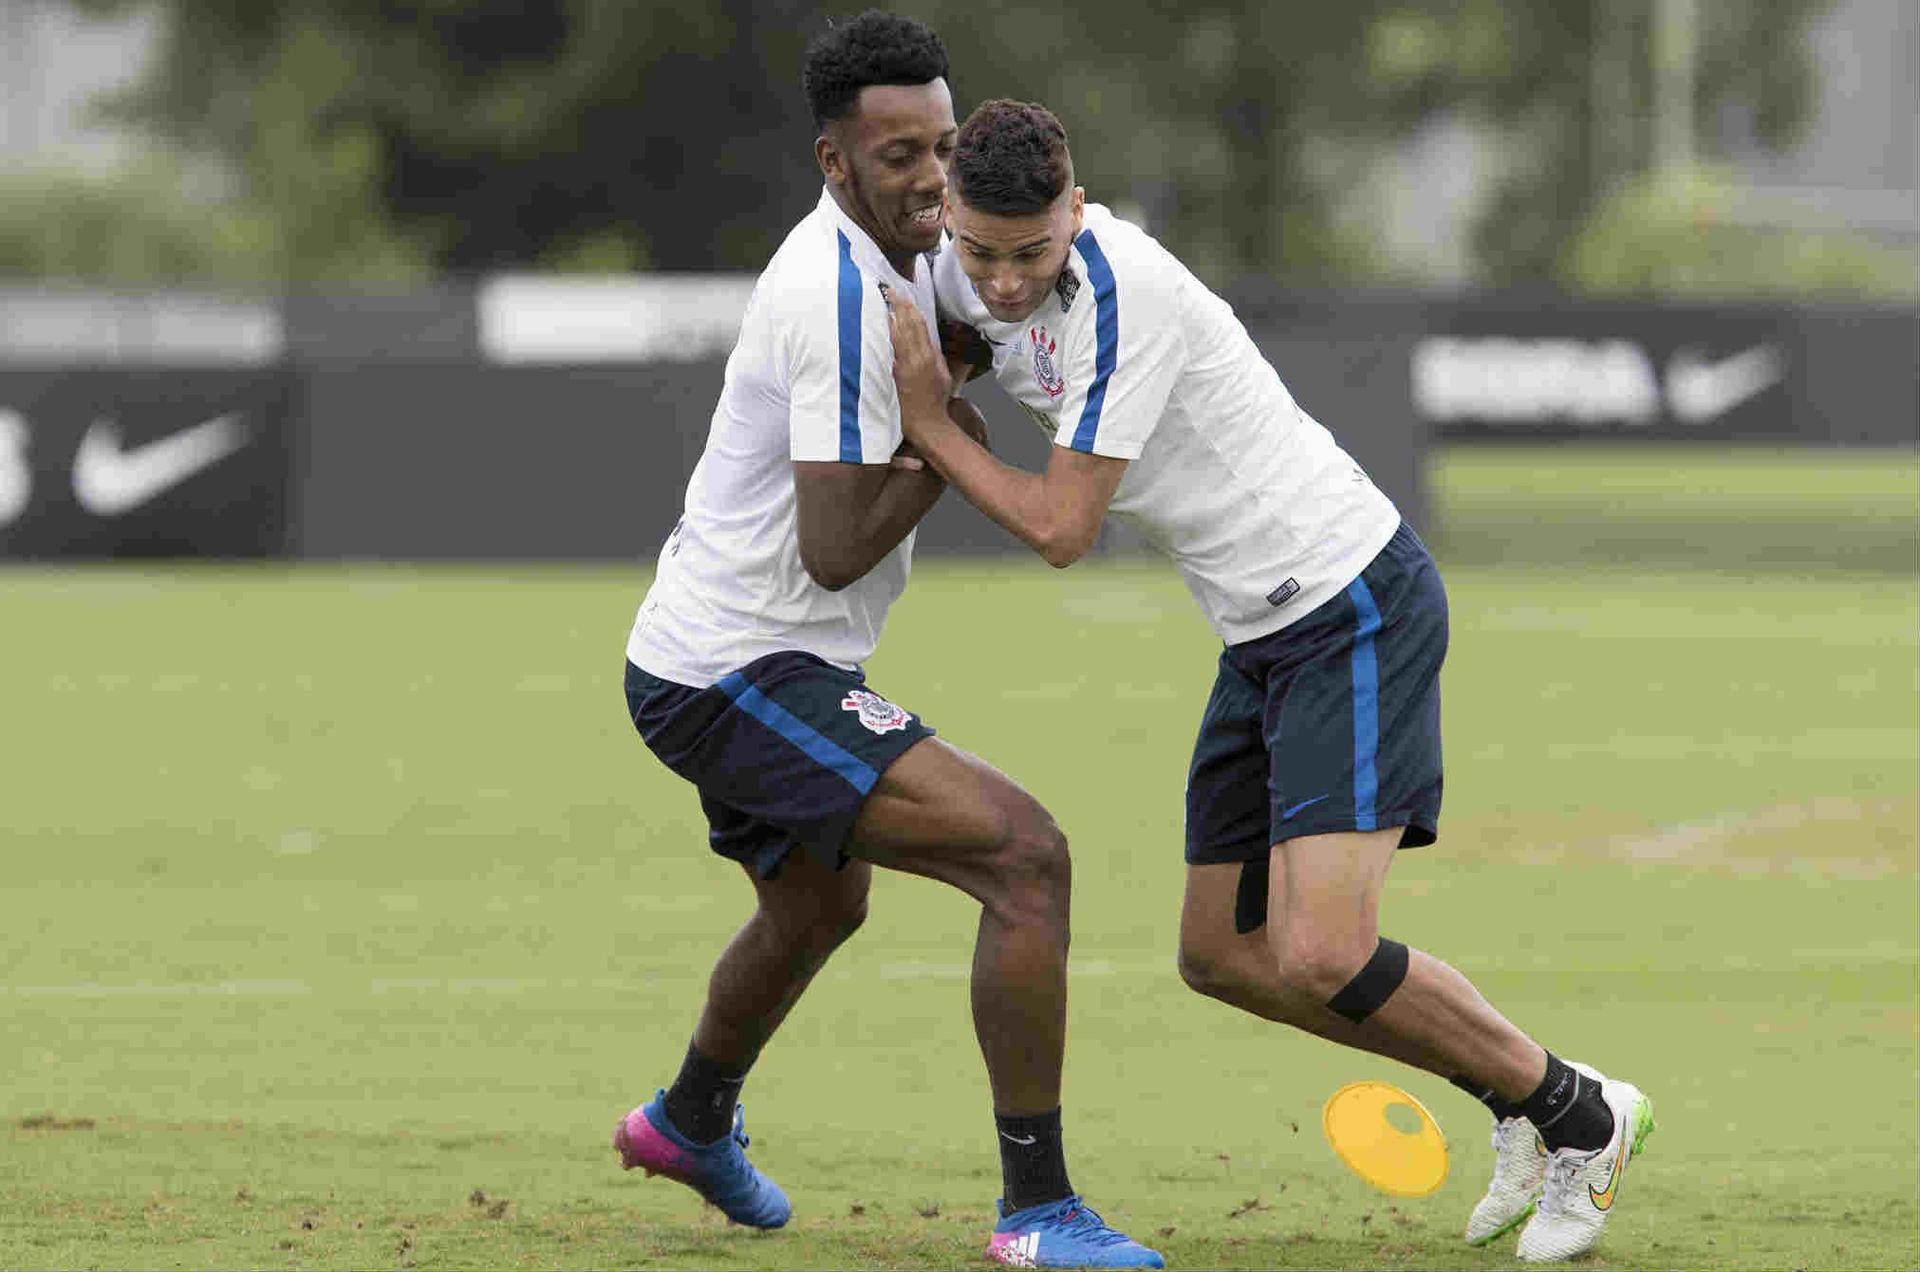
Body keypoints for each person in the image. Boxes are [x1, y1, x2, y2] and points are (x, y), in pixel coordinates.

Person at [883, 98, 1655, 1264]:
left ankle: (1581, 1116)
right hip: (1259, 630)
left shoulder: (1121, 295)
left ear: (1075, 211)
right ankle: (1523, 1098)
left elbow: (1061, 526)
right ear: (949, 218)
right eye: (979, 254)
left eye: (1028, 254)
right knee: (1223, 958)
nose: (998, 282)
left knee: (1326, 952)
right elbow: (903, 295)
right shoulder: (959, 265)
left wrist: (930, 422)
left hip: (1348, 601)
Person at [614, 20, 1161, 1270]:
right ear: (834, 161)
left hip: (741, 657)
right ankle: (1038, 1213)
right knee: (1025, 857)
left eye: (944, 143)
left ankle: (689, 1122)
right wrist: (942, 433)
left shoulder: (910, 252)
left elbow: (1020, 282)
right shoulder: (836, 294)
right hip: (733, 669)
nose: (930, 174)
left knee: (819, 904)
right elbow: (833, 549)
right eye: (898, 152)